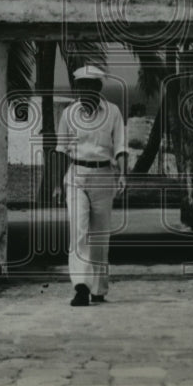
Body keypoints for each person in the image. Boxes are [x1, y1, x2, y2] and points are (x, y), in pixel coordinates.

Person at [52, 64, 128, 306]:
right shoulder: (68, 114)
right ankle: (81, 287)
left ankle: (98, 288)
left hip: (104, 175)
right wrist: (56, 183)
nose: (84, 93)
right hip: (75, 175)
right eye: (80, 88)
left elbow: (120, 147)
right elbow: (61, 149)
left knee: (100, 236)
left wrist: (123, 174)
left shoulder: (113, 112)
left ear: (98, 88)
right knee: (79, 231)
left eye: (89, 88)